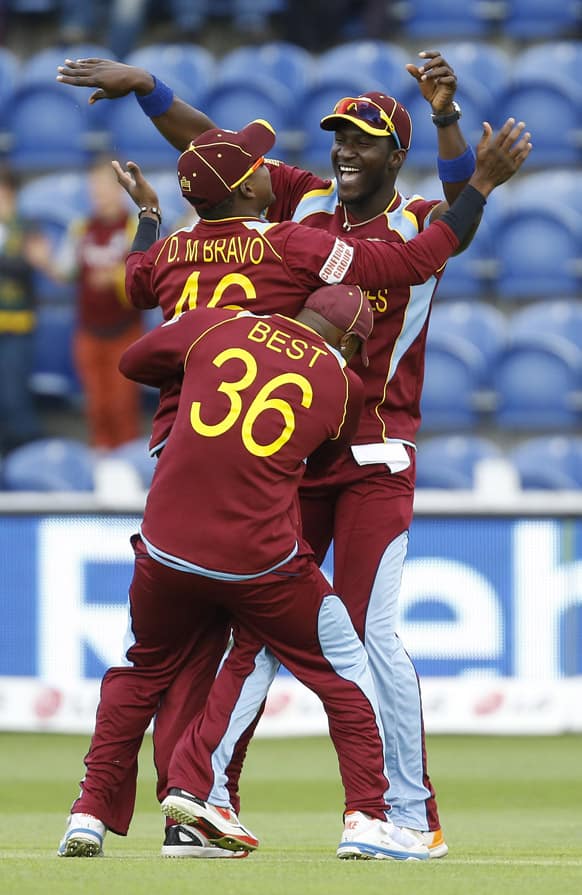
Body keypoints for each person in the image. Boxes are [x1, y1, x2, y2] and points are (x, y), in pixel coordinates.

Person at [56, 58, 532, 857]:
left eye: (365, 140)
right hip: (292, 456)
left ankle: (408, 814)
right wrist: (150, 93)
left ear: (395, 155)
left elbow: (462, 202)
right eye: (339, 136)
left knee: (369, 634)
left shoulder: (417, 221)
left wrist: (451, 125)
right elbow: (215, 154)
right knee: (260, 635)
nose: (345, 150)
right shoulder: (306, 200)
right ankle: (202, 803)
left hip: (376, 453)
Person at [59, 285, 435, 862]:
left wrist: (190, 384)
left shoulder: (220, 325)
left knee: (143, 670)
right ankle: (367, 817)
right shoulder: (342, 382)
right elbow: (326, 461)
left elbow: (132, 361)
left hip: (165, 544)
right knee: (347, 670)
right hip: (258, 561)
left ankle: (90, 815)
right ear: (350, 339)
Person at [35, 157, 144, 450]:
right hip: (88, 329)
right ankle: (100, 460)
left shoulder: (134, 227)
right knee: (96, 405)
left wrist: (115, 277)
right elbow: (66, 272)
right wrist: (45, 262)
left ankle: (126, 465)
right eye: (93, 187)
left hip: (124, 330)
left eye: (103, 186)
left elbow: (147, 280)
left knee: (122, 404)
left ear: (119, 189)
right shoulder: (81, 228)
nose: (97, 193)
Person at [0, 166, 44, 456]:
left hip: (16, 325)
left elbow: (27, 266)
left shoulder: (27, 227)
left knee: (14, 396)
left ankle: (26, 455)